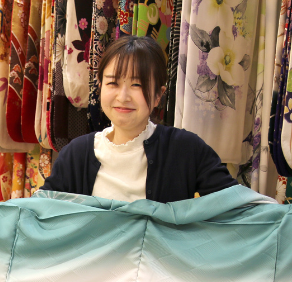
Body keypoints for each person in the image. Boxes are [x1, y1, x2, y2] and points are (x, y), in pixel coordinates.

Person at [40, 35, 238, 203]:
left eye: (137, 85)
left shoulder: (186, 149)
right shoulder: (76, 155)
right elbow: (39, 212)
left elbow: (237, 208)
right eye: (113, 83)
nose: (123, 96)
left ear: (158, 95)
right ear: (100, 87)